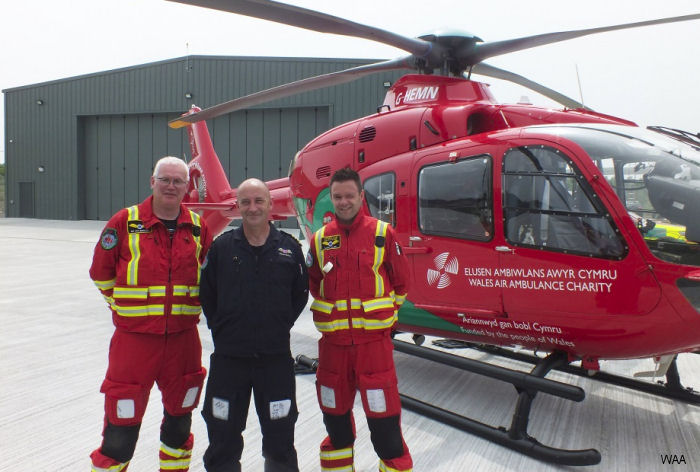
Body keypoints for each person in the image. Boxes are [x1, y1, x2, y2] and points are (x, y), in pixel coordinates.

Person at [89, 156, 212, 472]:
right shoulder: (124, 222)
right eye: (165, 179)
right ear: (152, 181)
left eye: (178, 181)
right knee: (120, 427)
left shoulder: (199, 229)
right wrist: (121, 307)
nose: (171, 186)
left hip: (183, 341)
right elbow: (101, 273)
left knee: (179, 422)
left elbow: (211, 279)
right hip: (134, 343)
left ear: (187, 187)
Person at [199, 178, 309, 472]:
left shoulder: (289, 249)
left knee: (280, 439)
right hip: (229, 361)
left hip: (274, 362)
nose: (253, 207)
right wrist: (223, 329)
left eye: (259, 201)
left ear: (271, 205)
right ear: (238, 207)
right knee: (222, 437)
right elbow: (206, 294)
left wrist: (278, 324)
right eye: (245, 202)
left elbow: (299, 294)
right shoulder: (221, 248)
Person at [307, 167, 413, 472]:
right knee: (336, 426)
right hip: (333, 350)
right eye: (337, 196)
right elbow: (315, 283)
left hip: (373, 350)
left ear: (361, 197)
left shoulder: (382, 234)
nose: (343, 202)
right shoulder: (319, 240)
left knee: (387, 431)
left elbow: (401, 284)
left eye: (349, 196)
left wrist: (385, 320)